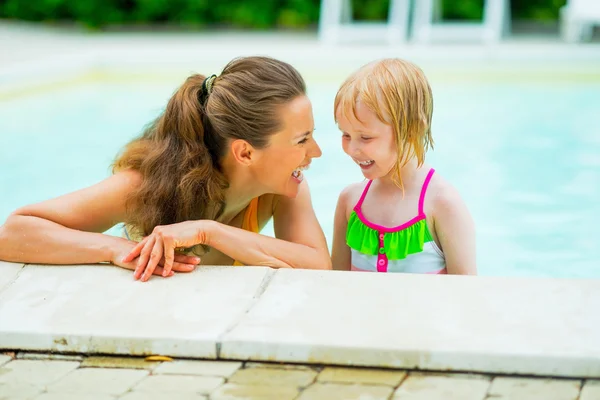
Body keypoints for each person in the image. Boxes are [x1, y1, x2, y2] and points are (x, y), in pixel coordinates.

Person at [0, 56, 331, 281]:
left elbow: (319, 267)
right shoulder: (150, 186)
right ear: (245, 153)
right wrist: (116, 249)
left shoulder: (281, 187)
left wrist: (208, 230)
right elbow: (14, 232)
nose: (315, 152)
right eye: (301, 140)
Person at [331, 58, 476, 275]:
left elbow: (466, 295)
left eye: (366, 137)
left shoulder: (442, 205)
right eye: (346, 135)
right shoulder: (350, 202)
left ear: (412, 130)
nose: (352, 149)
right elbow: (334, 283)